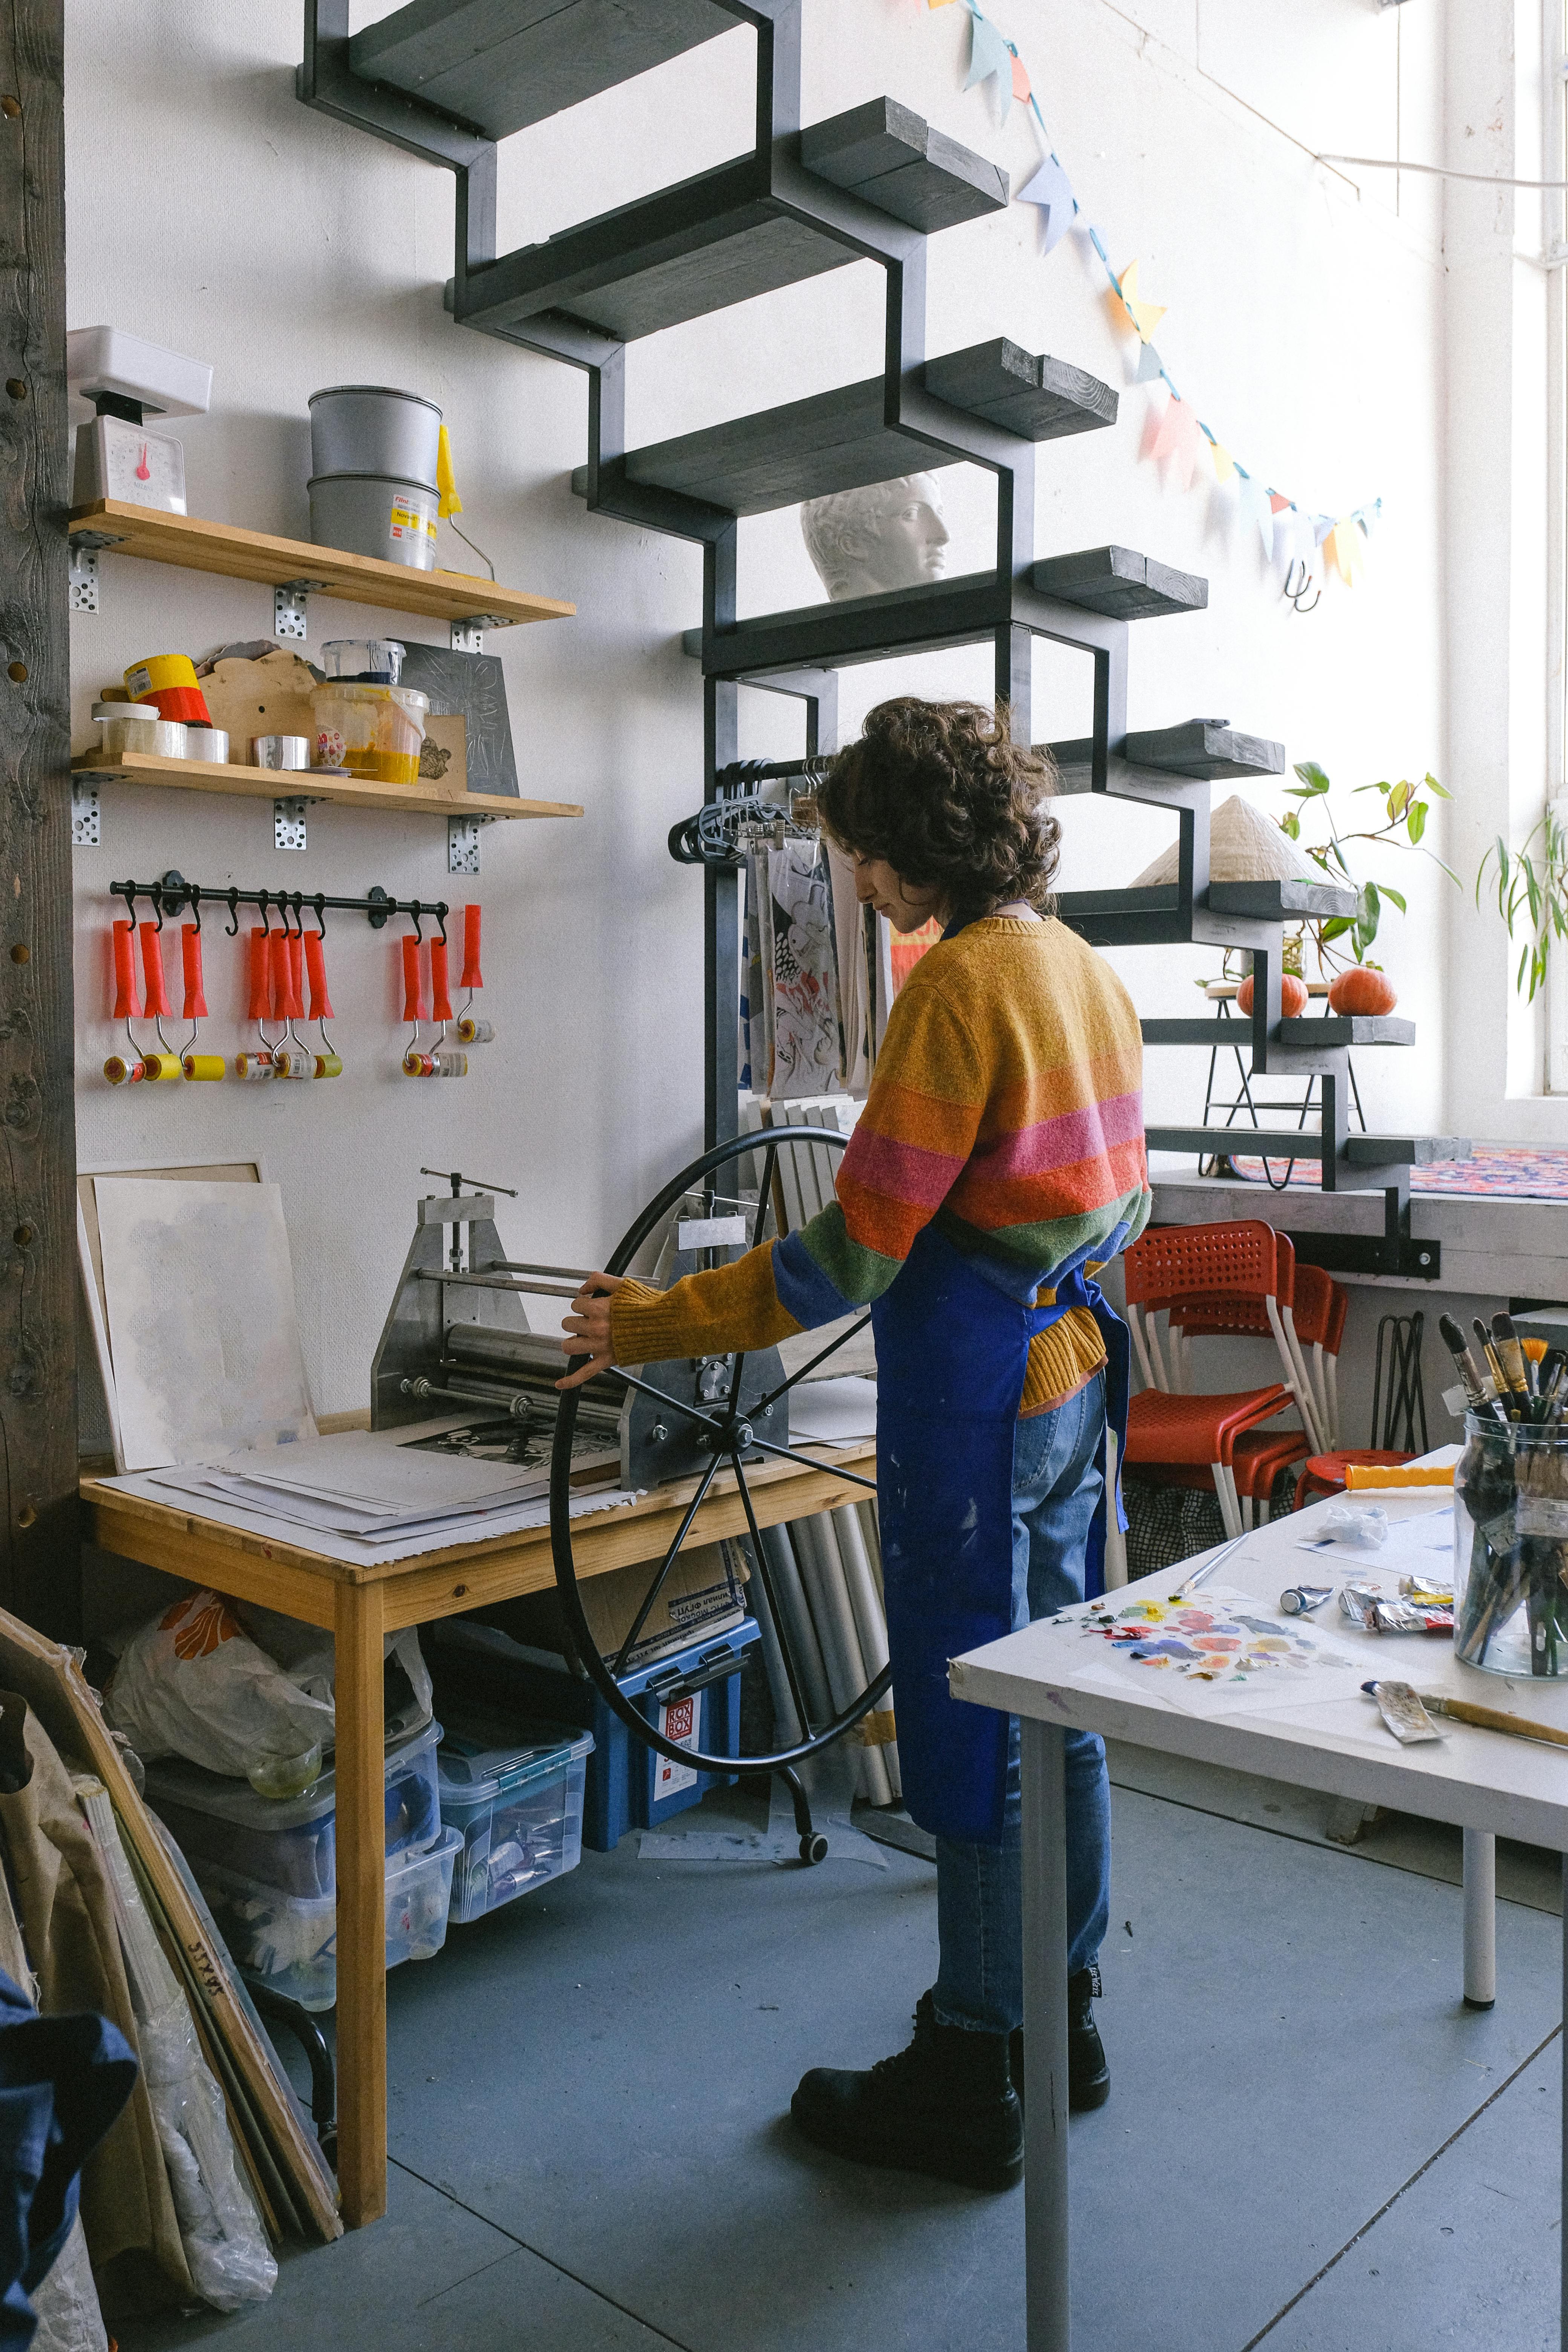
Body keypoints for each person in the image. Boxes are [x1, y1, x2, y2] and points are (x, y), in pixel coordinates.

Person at [561, 697, 1150, 2193]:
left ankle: (967, 2064)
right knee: (1059, 1700)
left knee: (970, 1721)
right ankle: (1056, 2015)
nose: (859, 883)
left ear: (898, 851)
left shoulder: (956, 986)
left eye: (857, 856)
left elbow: (849, 1254)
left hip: (981, 1398)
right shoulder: (1079, 970)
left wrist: (650, 1324)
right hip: (1074, 1369)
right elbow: (1117, 1199)